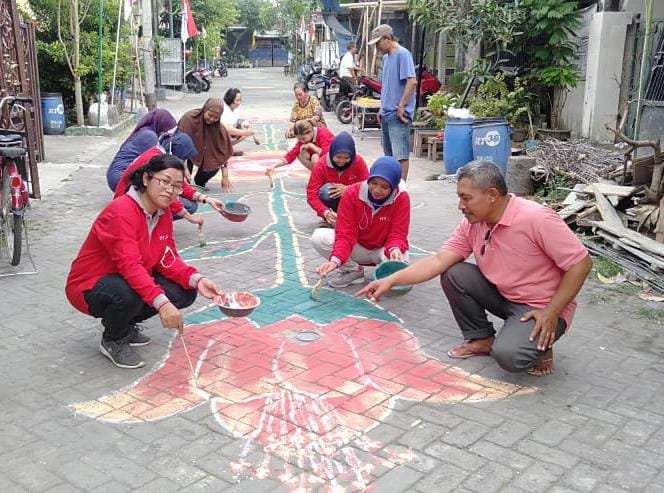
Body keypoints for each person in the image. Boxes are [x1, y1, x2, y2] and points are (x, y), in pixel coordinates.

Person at [357, 161, 593, 376]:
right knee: (454, 273)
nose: (461, 206)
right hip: (505, 295)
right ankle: (482, 338)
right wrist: (392, 280)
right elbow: (439, 260)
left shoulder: (536, 218)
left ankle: (542, 345)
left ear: (492, 195)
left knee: (510, 357)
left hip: (541, 307)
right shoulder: (473, 223)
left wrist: (552, 311)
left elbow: (581, 264)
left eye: (466, 198)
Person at [66, 155, 224, 369]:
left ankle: (126, 323)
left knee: (184, 291)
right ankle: (113, 338)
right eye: (165, 181)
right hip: (90, 284)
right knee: (129, 294)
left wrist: (197, 279)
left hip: (125, 277)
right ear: (147, 179)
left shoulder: (163, 213)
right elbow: (130, 266)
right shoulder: (121, 211)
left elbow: (168, 258)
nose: (170, 190)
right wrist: (162, 304)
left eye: (177, 186)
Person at [314, 156, 410, 288]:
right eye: (374, 183)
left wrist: (395, 249)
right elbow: (345, 234)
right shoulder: (352, 193)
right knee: (319, 238)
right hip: (358, 246)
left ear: (393, 187)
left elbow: (398, 234)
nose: (377, 190)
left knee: (401, 259)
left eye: (384, 187)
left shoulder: (401, 198)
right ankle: (354, 271)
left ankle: (386, 273)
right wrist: (335, 262)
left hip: (383, 249)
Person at [113, 131, 225, 224]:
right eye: (183, 159)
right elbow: (167, 194)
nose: (183, 164)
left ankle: (150, 221)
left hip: (130, 202)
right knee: (183, 204)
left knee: (187, 203)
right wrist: (188, 217)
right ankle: (144, 221)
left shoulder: (161, 155)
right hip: (126, 206)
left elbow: (181, 186)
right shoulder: (157, 160)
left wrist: (207, 199)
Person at [368, 24, 417, 181]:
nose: (377, 47)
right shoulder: (387, 58)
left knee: (400, 155)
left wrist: (401, 105)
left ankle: (400, 190)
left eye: (378, 43)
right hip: (387, 114)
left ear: (387, 39)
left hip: (398, 115)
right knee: (389, 157)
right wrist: (381, 108)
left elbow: (412, 81)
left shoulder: (403, 54)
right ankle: (391, 187)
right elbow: (388, 86)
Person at [306, 131, 369, 226]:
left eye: (346, 158)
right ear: (332, 153)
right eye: (338, 157)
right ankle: (333, 217)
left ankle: (352, 217)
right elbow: (311, 195)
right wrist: (325, 212)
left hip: (353, 202)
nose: (342, 161)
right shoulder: (321, 164)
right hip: (333, 204)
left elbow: (368, 186)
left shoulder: (358, 161)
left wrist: (349, 190)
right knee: (325, 191)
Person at [106, 109, 177, 191]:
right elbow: (159, 163)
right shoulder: (150, 136)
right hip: (119, 178)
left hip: (114, 174)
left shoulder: (146, 130)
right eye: (166, 128)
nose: (166, 131)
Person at [178, 98, 235, 192]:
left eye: (216, 118)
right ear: (205, 109)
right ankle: (183, 184)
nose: (212, 119)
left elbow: (222, 154)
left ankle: (200, 182)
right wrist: (183, 168)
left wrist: (225, 177)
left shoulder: (219, 129)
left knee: (213, 164)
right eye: (210, 115)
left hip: (203, 150)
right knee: (182, 176)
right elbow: (180, 145)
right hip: (185, 151)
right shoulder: (189, 119)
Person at [266, 120, 334, 174]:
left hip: (336, 163)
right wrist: (273, 166)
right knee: (300, 153)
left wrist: (312, 146)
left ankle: (323, 178)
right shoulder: (303, 141)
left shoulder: (323, 132)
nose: (301, 141)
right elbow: (290, 156)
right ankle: (317, 175)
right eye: (299, 139)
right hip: (325, 163)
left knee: (315, 157)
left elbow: (328, 154)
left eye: (303, 138)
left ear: (309, 132)